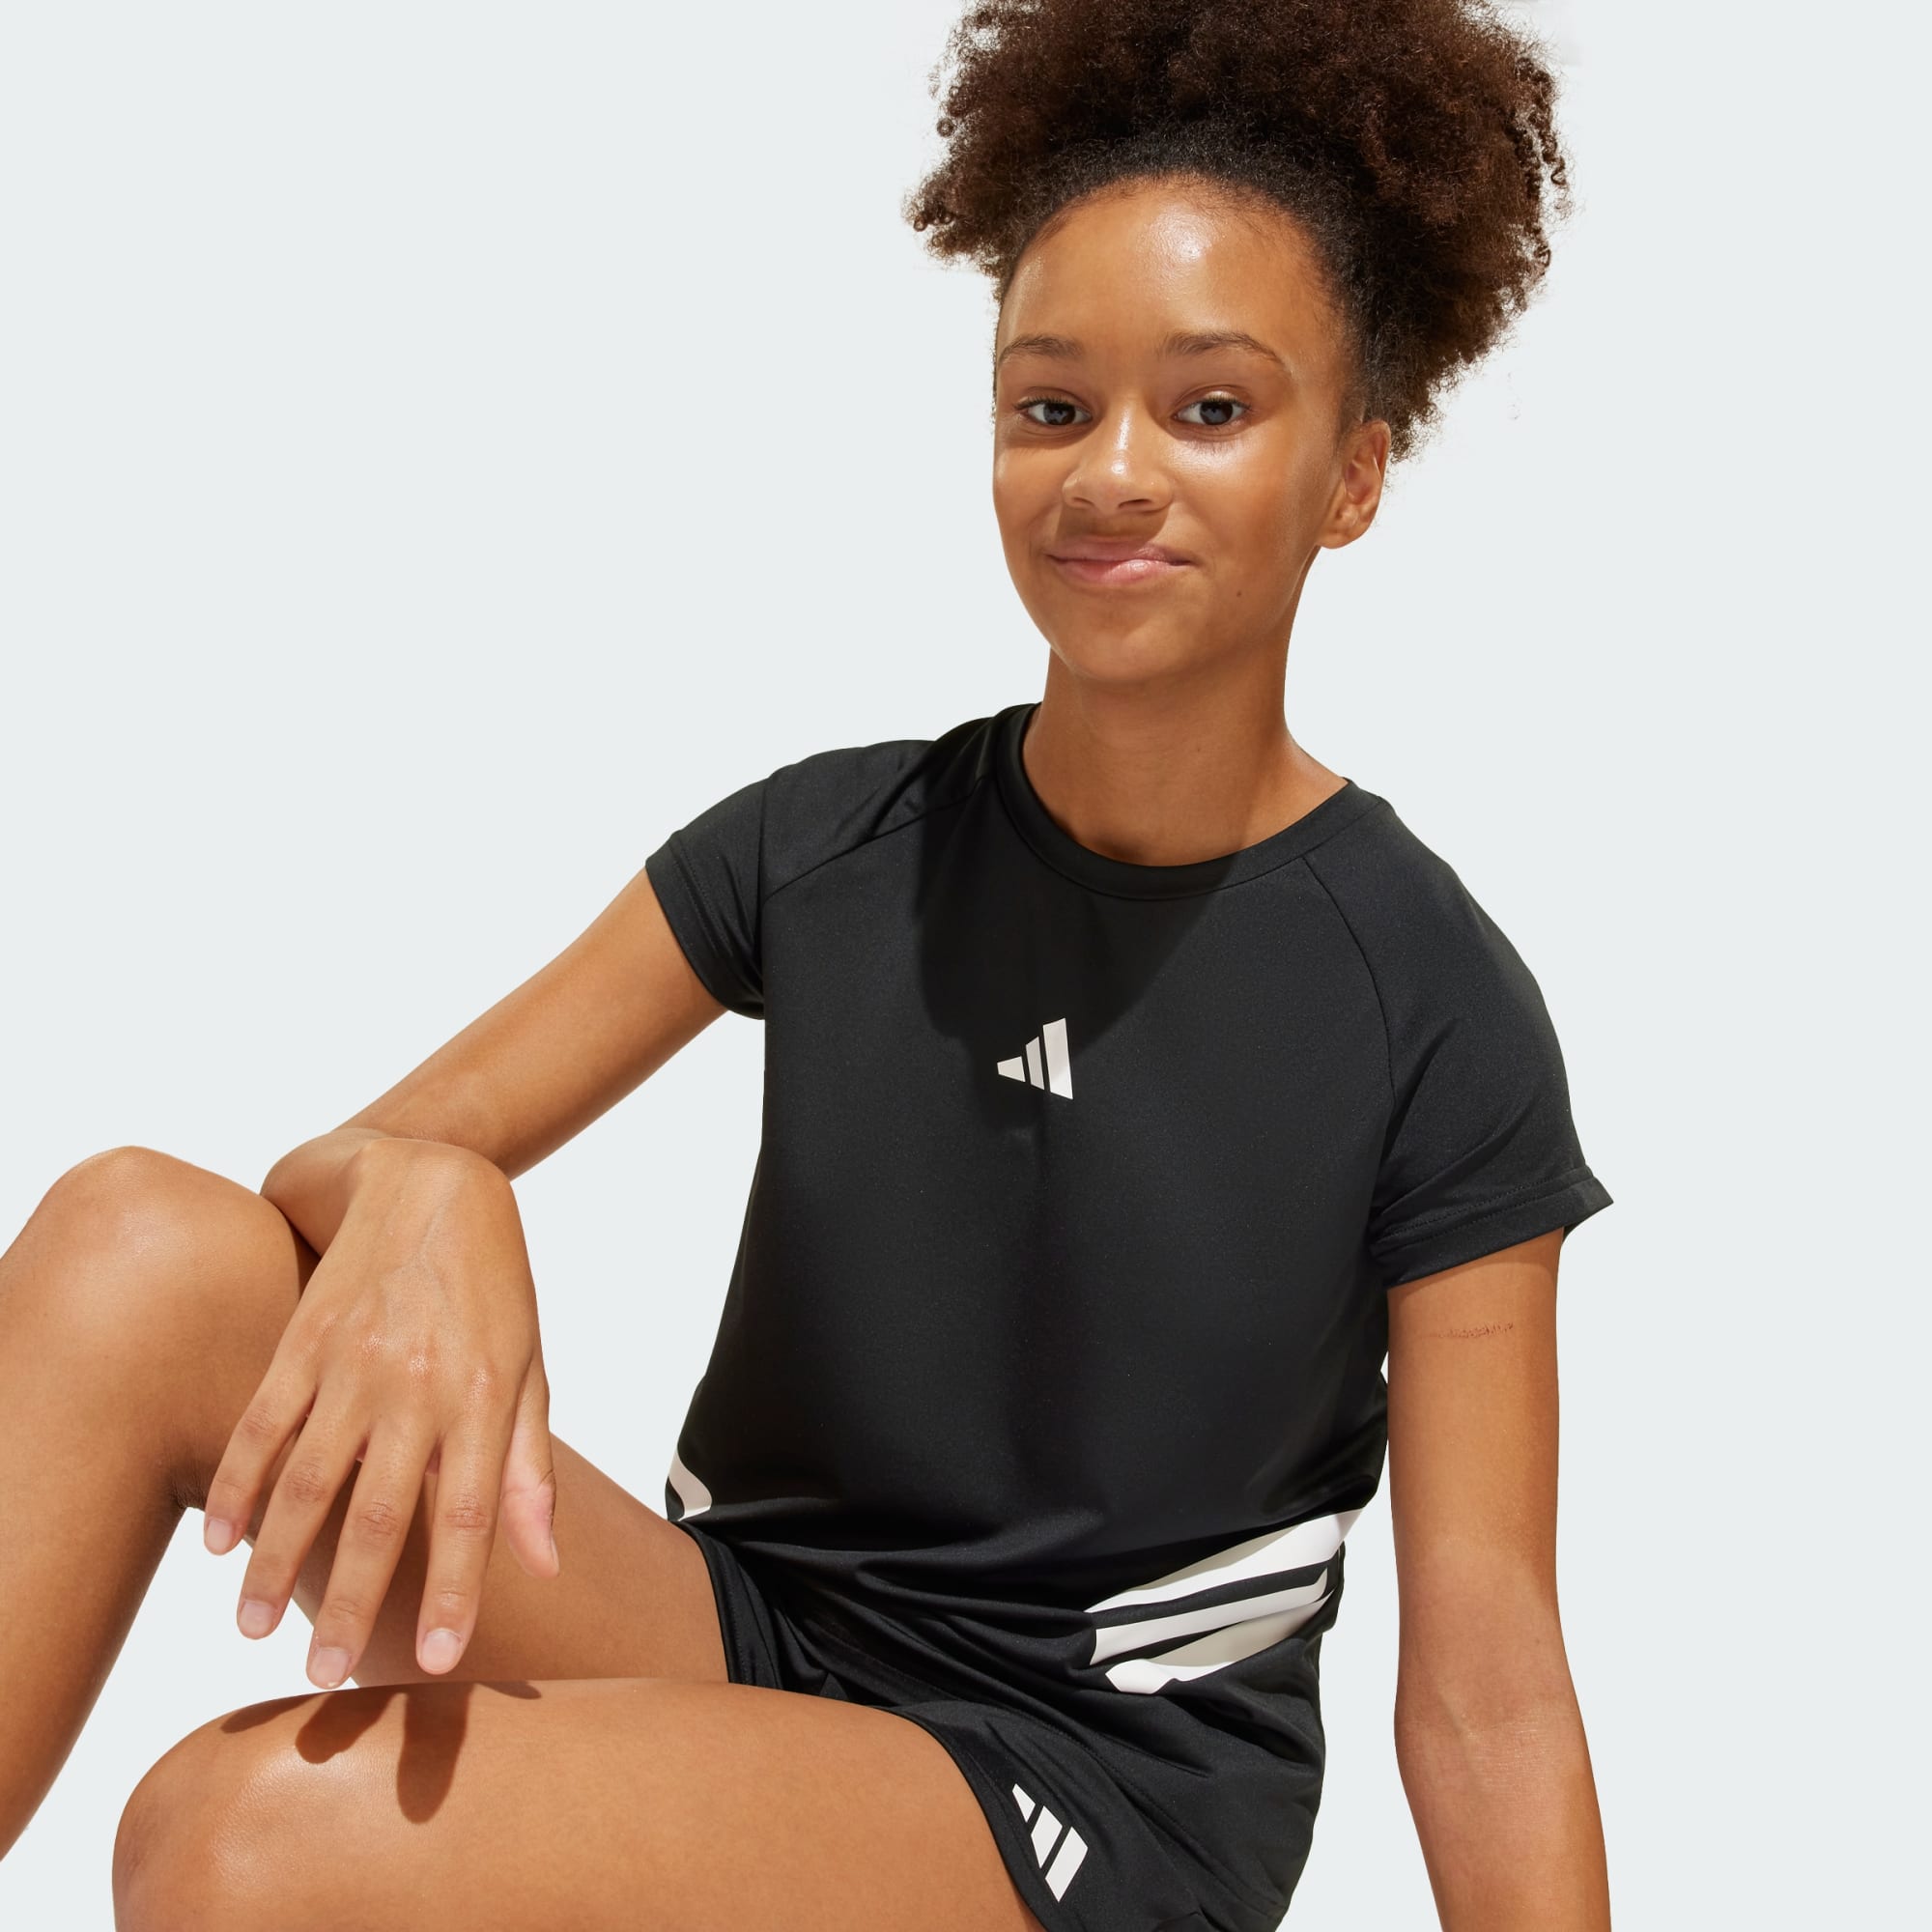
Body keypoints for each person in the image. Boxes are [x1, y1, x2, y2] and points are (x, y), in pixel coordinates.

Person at [0, 1, 1614, 1926]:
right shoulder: (835, 847)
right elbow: (329, 1183)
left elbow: (1489, 1684)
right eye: (1049, 406)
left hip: (1080, 1790)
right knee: (137, 1250)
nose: (1111, 472)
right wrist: (438, 1180)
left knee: (233, 1840)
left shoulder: (1424, 996)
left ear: (1350, 474)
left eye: (1208, 409)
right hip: (744, 1642)